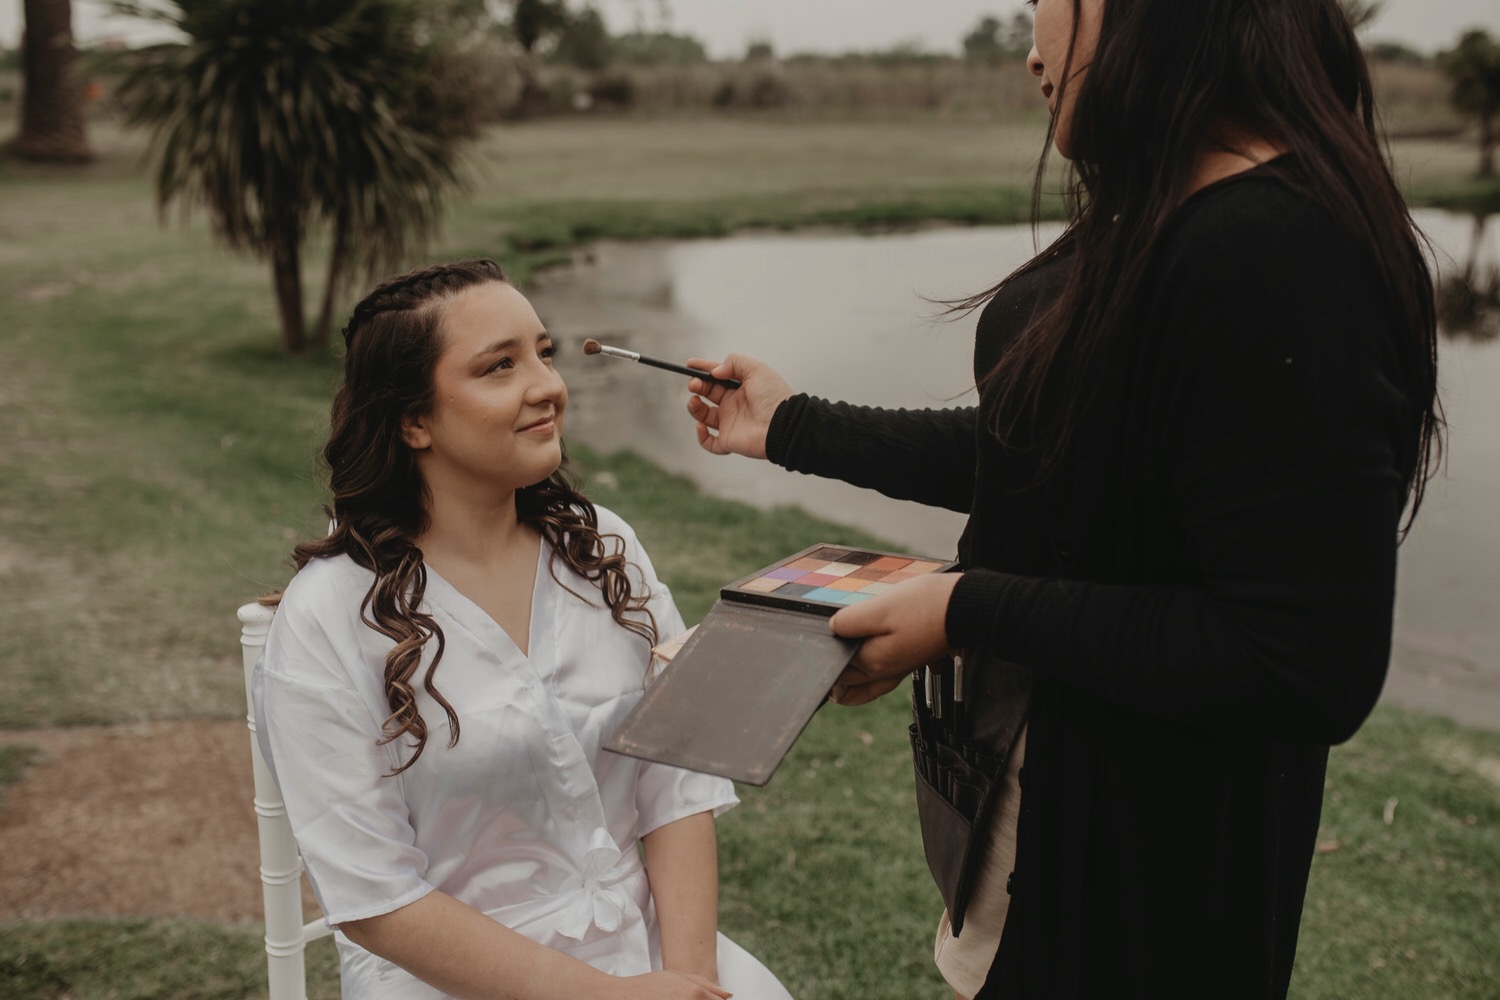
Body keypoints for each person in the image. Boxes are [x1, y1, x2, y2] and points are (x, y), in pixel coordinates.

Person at [679, 2, 1441, 998]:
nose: (1033, 51)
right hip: (1036, 808)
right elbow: (1053, 458)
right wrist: (791, 425)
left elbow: (1301, 661)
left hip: (1145, 880)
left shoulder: (1279, 249)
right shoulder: (1167, 204)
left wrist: (962, 609)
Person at [254, 259, 794, 1000]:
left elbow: (677, 778)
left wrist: (691, 979)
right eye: (499, 366)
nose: (548, 386)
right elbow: (376, 899)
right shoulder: (329, 617)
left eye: (544, 352)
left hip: (652, 956)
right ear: (413, 420)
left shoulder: (602, 548)